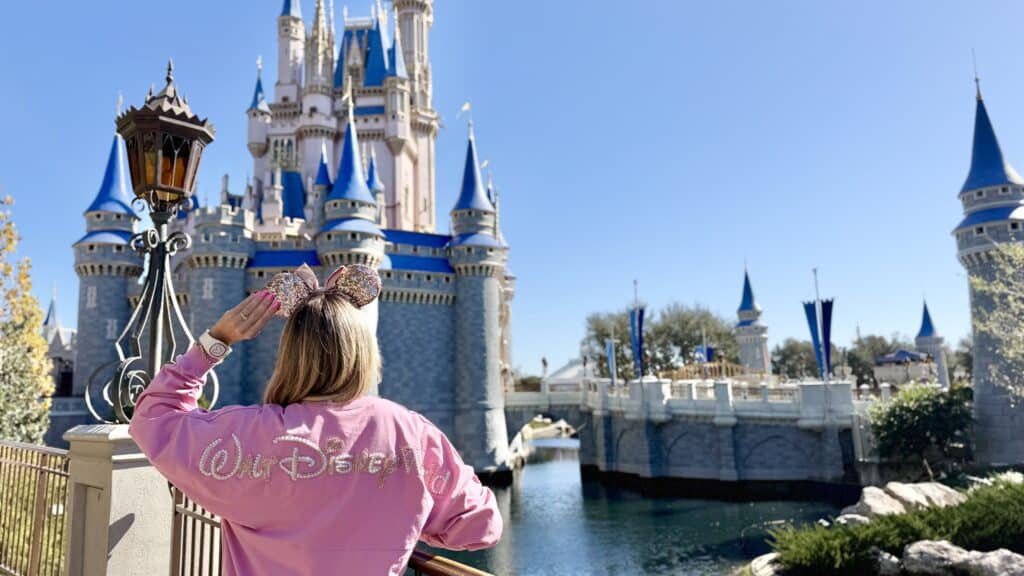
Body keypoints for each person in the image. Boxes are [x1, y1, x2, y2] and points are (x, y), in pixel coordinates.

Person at [129, 264, 502, 576]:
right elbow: (481, 526)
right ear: (365, 355)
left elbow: (152, 416)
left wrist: (216, 341)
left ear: (288, 355)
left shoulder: (245, 434)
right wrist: (407, 516)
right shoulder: (410, 433)